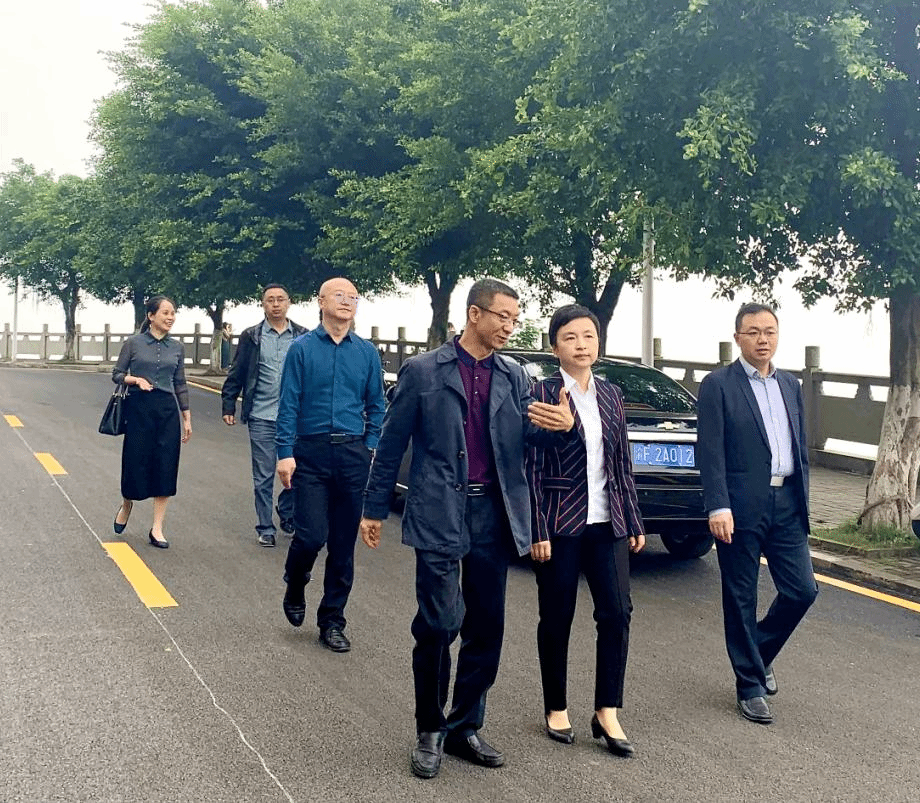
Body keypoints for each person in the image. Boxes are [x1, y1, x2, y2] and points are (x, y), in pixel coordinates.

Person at [360, 278, 576, 780]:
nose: (509, 326)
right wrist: (373, 508)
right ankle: (430, 728)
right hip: (438, 508)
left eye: (514, 319)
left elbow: (526, 440)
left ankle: (464, 726)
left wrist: (561, 428)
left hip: (492, 515)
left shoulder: (514, 375)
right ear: (474, 314)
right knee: (439, 623)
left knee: (486, 626)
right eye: (502, 316)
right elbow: (392, 443)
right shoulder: (423, 371)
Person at [526, 304, 645, 756]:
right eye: (571, 337)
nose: (581, 345)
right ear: (555, 345)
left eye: (589, 336)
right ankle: (556, 706)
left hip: (607, 521)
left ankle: (607, 710)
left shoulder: (611, 395)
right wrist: (536, 527)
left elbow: (621, 462)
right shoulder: (541, 391)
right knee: (557, 616)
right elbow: (530, 464)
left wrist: (632, 518)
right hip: (560, 523)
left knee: (617, 613)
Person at [696, 302, 818, 725]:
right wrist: (718, 505)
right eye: (753, 332)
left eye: (769, 331)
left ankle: (757, 653)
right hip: (739, 506)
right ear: (738, 338)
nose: (762, 339)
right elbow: (710, 450)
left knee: (803, 591)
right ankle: (749, 685)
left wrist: (804, 498)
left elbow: (799, 445)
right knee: (741, 596)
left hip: (787, 504)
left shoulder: (790, 384)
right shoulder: (718, 385)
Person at [276, 277, 385, 653]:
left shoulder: (366, 352)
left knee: (342, 546)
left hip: (353, 454)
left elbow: (377, 405)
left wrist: (370, 446)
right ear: (320, 301)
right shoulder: (302, 349)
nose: (347, 301)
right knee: (310, 536)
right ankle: (295, 581)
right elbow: (288, 403)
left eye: (353, 296)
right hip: (311, 453)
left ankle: (332, 621)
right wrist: (284, 452)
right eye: (339, 295)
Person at [221, 285, 307, 547]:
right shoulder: (252, 336)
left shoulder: (303, 336)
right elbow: (238, 370)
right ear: (263, 304)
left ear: (289, 303)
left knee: (300, 472)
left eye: (280, 299)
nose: (276, 304)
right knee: (263, 475)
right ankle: (265, 527)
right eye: (270, 300)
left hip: (297, 417)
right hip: (261, 414)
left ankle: (288, 510)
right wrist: (228, 404)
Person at [111, 295, 193, 548]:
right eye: (165, 313)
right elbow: (117, 374)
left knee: (166, 465)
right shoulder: (133, 343)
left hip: (167, 411)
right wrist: (135, 380)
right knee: (135, 462)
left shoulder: (177, 347)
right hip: (139, 409)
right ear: (151, 316)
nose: (170, 317)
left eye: (173, 313)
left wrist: (186, 417)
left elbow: (180, 383)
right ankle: (127, 503)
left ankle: (157, 528)